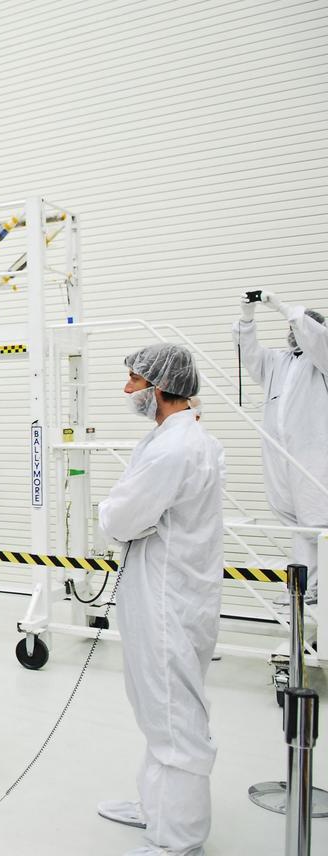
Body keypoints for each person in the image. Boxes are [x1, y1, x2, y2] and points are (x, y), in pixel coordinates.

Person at [97, 343, 224, 856]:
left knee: (174, 715)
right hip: (166, 592)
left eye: (134, 382)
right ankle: (157, 808)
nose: (128, 391)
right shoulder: (179, 439)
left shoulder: (176, 449)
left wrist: (113, 511)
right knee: (158, 707)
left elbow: (121, 518)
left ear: (160, 388)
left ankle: (180, 838)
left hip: (168, 599)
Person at [234, 292, 328, 604]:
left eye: (298, 328)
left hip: (313, 455)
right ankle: (304, 589)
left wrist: (283, 308)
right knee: (296, 521)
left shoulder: (322, 361)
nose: (293, 334)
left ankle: (315, 588)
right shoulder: (279, 362)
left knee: (316, 521)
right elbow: (249, 355)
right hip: (280, 454)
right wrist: (247, 319)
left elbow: (318, 341)